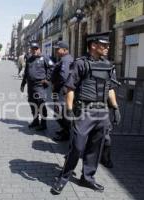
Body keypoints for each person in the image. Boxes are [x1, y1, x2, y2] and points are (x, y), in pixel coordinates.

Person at [51, 32, 121, 194]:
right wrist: (69, 110)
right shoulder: (80, 64)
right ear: (93, 46)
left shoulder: (108, 65)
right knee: (77, 146)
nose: (107, 48)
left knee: (95, 148)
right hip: (84, 112)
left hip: (102, 112)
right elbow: (70, 88)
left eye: (108, 45)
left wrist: (115, 107)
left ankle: (87, 178)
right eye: (104, 45)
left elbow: (110, 88)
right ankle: (64, 176)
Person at [20, 41, 54, 131]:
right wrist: (23, 83)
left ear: (39, 49)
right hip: (30, 85)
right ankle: (35, 120)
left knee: (40, 102)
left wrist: (47, 79)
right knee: (32, 102)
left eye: (36, 49)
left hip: (40, 85)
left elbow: (52, 68)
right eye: (32, 49)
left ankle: (43, 123)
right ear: (30, 50)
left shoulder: (45, 58)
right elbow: (26, 72)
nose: (34, 51)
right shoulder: (29, 59)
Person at [51, 41, 74, 141]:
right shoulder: (64, 59)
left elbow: (63, 77)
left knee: (58, 111)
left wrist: (55, 85)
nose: (56, 51)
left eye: (58, 49)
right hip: (60, 90)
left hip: (61, 90)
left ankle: (66, 132)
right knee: (60, 111)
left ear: (65, 50)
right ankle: (64, 129)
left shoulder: (65, 60)